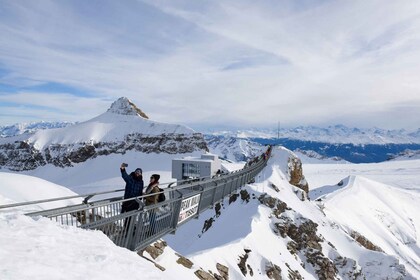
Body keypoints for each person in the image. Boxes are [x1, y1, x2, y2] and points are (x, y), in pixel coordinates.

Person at [120, 164, 144, 234]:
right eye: (137, 172)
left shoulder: (141, 182)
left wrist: (140, 200)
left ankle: (130, 230)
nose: (137, 173)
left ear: (140, 174)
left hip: (135, 202)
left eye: (139, 172)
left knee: (133, 217)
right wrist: (122, 169)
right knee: (127, 217)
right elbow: (125, 176)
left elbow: (140, 191)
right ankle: (128, 231)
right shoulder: (130, 178)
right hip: (128, 201)